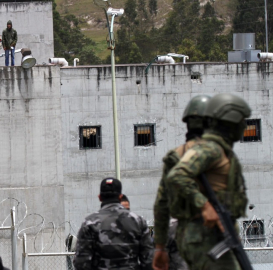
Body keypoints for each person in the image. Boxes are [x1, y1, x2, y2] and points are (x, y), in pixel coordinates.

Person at [165, 93, 251, 270]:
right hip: (203, 232)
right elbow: (177, 176)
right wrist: (205, 206)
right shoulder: (208, 151)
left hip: (215, 229)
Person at [153, 95, 211, 270]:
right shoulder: (223, 156)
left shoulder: (175, 156)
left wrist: (161, 246)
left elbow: (162, 205)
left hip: (181, 230)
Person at [74, 178, 153, 270]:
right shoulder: (137, 221)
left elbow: (81, 263)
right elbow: (149, 260)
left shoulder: (89, 223)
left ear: (100, 197)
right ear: (120, 197)